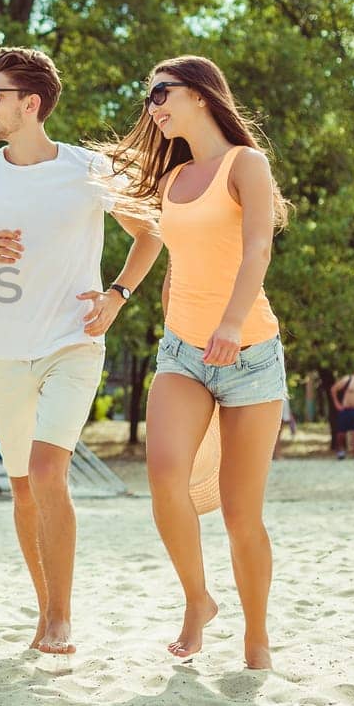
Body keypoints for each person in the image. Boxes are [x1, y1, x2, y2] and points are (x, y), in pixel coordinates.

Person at [0, 46, 163, 656]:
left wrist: (118, 295)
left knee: (47, 471)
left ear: (30, 104)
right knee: (22, 488)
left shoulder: (90, 169)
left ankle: (62, 618)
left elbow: (150, 235)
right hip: (5, 354)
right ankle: (44, 611)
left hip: (74, 342)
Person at [107, 55, 289, 671]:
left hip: (251, 354)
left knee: (241, 514)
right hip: (183, 352)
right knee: (164, 478)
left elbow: (258, 245)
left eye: (161, 92)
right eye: (149, 97)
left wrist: (232, 324)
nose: (152, 106)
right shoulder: (171, 180)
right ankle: (197, 600)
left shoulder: (247, 165)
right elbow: (159, 246)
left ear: (202, 95)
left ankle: (256, 638)